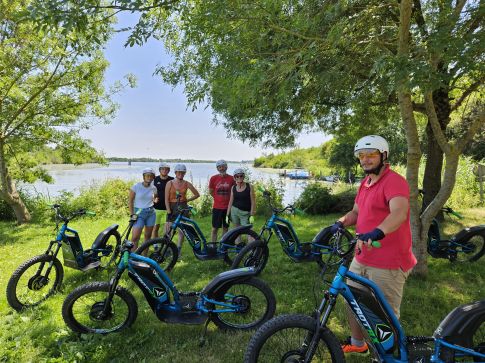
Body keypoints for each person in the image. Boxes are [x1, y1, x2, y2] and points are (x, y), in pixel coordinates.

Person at [329, 135, 417, 355]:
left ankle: (388, 355)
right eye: (362, 156)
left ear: (383, 156)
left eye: (371, 155)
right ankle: (358, 345)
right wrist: (340, 222)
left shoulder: (394, 181)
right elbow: (356, 212)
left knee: (384, 314)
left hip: (388, 261)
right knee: (352, 301)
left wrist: (379, 231)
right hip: (362, 256)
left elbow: (399, 212)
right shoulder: (365, 183)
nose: (366, 160)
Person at [165, 163, 200, 258]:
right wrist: (168, 211)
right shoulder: (170, 183)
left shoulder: (187, 183)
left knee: (182, 231)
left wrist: (186, 200)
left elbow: (197, 194)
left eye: (182, 172)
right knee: (168, 230)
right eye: (179, 172)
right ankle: (167, 250)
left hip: (183, 207)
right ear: (175, 172)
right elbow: (166, 199)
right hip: (171, 207)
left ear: (184, 173)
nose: (180, 174)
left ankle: (178, 250)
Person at [129, 167, 158, 250]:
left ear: (153, 178)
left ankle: (144, 257)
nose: (149, 177)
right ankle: (133, 258)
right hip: (139, 213)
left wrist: (155, 200)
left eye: (151, 176)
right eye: (147, 175)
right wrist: (132, 214)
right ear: (144, 176)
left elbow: (154, 198)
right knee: (135, 237)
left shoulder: (154, 188)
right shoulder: (136, 186)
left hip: (151, 213)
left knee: (147, 237)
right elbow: (130, 201)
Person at [208, 160, 235, 242]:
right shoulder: (213, 178)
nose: (221, 168)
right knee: (214, 229)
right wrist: (217, 198)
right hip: (217, 208)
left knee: (226, 228)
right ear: (217, 168)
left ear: (226, 167)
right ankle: (213, 245)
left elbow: (234, 191)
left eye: (223, 166)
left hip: (228, 208)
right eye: (219, 167)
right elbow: (211, 191)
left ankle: (223, 245)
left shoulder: (232, 179)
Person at [152, 162, 174, 238]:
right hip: (156, 208)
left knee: (168, 230)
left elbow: (176, 192)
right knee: (155, 228)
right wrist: (153, 199)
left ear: (169, 171)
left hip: (168, 209)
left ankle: (166, 246)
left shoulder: (172, 180)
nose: (164, 170)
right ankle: (155, 245)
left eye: (166, 169)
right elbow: (150, 191)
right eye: (162, 169)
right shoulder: (155, 179)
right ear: (159, 170)